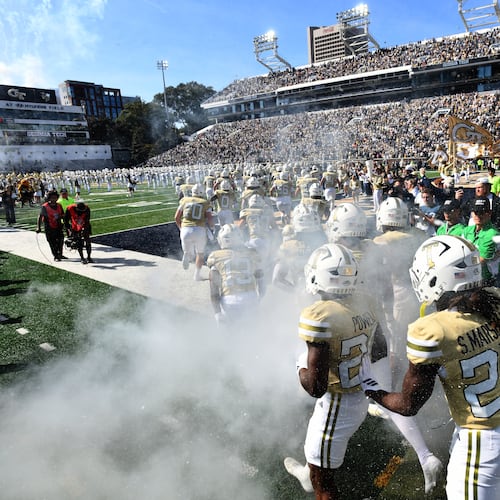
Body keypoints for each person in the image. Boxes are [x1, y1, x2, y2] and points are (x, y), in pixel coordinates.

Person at [362, 234, 499, 500]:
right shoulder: (492, 301)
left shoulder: (432, 330)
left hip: (481, 440)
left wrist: (372, 390)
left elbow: (408, 405)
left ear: (437, 279)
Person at [286, 243, 387, 499]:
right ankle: (308, 473)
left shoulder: (319, 314)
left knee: (325, 485)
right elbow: (379, 350)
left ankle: (312, 478)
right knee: (316, 451)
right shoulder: (367, 301)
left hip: (337, 403)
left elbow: (315, 388)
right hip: (357, 395)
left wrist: (299, 365)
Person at [206, 223, 265, 325]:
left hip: (230, 301)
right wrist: (259, 298)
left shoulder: (215, 256)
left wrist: (217, 313)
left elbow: (214, 289)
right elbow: (261, 279)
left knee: (231, 333)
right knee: (253, 330)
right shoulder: (252, 253)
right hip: (250, 297)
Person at [175, 183, 214, 281]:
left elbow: (176, 217)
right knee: (200, 254)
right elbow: (210, 218)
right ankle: (196, 275)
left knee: (189, 250)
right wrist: (212, 228)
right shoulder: (205, 202)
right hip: (199, 229)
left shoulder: (184, 200)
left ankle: (186, 254)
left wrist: (181, 228)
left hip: (185, 229)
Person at [461, 197, 500, 284]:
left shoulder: (493, 234)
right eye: (476, 212)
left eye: (482, 212)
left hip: (488, 279)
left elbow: (481, 260)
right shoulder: (467, 230)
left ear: (489, 213)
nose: (478, 216)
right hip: (469, 277)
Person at [36, 190, 65, 261]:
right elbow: (40, 217)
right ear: (49, 198)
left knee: (61, 240)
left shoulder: (59, 205)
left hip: (58, 226)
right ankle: (55, 255)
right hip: (49, 226)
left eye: (55, 198)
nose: (54, 199)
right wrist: (38, 227)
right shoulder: (45, 207)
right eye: (52, 198)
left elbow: (62, 215)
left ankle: (60, 254)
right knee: (52, 242)